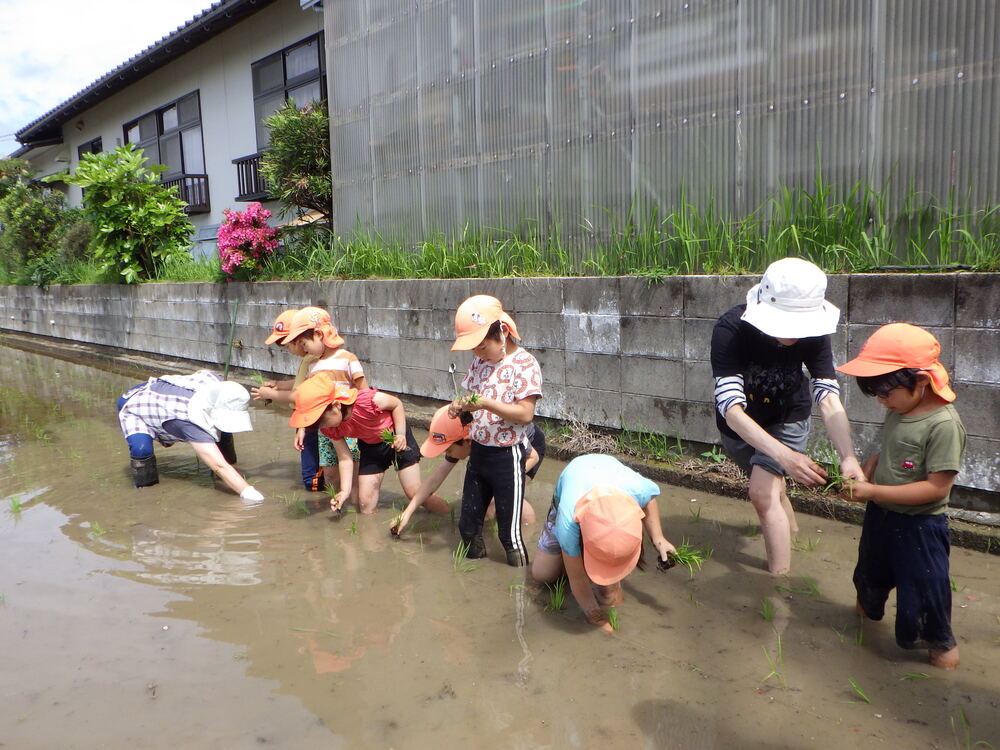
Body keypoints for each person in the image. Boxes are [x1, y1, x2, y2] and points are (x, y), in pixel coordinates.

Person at [710, 257, 863, 574]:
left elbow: (827, 396)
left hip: (788, 413)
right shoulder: (732, 329)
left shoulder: (815, 333)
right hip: (740, 423)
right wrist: (786, 458)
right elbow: (731, 407)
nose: (794, 335)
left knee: (761, 492)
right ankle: (793, 535)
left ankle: (779, 582)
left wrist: (848, 456)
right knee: (773, 485)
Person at [836, 323, 965, 670]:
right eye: (874, 394)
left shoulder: (943, 426)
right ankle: (861, 636)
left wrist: (872, 490)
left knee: (927, 606)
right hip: (881, 517)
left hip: (920, 529)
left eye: (885, 392)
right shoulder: (899, 409)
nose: (881, 401)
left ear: (921, 380)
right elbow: (887, 453)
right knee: (868, 583)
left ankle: (942, 669)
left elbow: (937, 487)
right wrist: (869, 470)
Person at [531, 454, 676, 631]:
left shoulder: (637, 490)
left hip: (610, 479)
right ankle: (572, 557)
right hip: (575, 483)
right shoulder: (568, 522)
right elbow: (577, 580)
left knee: (609, 595)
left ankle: (588, 563)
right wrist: (595, 616)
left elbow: (650, 499)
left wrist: (658, 538)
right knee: (543, 575)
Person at [449, 295, 542, 567]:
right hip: (478, 454)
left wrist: (487, 403)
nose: (477, 353)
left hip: (507, 456)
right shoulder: (480, 362)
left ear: (500, 332)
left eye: (481, 346)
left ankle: (520, 591)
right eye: (473, 348)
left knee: (509, 536)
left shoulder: (524, 364)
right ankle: (476, 585)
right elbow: (472, 400)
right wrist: (461, 408)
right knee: (467, 528)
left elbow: (526, 414)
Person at [289, 372, 443, 515]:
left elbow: (397, 404)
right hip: (371, 447)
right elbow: (345, 458)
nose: (323, 427)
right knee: (366, 504)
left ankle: (449, 517)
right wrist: (344, 491)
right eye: (318, 425)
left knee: (414, 492)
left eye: (322, 420)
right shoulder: (330, 429)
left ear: (336, 405)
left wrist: (401, 435)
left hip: (396, 438)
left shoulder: (367, 401)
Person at [253, 307, 365, 499]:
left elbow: (364, 394)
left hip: (343, 424)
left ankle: (352, 504)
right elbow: (305, 393)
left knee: (348, 471)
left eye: (300, 343)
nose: (299, 349)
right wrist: (303, 427)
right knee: (330, 472)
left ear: (318, 335)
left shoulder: (346, 359)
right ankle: (334, 504)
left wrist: (271, 392)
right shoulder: (313, 364)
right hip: (321, 425)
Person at [389, 405, 544, 537]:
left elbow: (534, 458)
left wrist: (501, 484)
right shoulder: (464, 439)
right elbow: (434, 480)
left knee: (503, 496)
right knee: (486, 502)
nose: (447, 454)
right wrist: (406, 513)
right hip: (491, 447)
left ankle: (529, 531)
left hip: (526, 449)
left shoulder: (491, 436)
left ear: (467, 441)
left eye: (448, 450)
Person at [117, 369, 263, 503]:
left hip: (161, 389)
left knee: (222, 429)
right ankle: (146, 495)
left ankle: (231, 471)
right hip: (134, 403)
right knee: (141, 449)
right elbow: (219, 466)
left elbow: (204, 373)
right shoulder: (189, 421)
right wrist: (247, 492)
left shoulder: (217, 385)